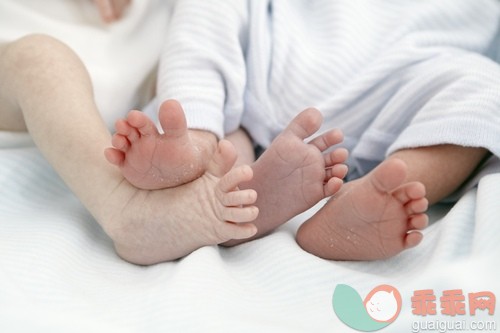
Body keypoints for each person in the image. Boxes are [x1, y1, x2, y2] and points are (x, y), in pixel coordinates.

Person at [107, 0, 500, 261]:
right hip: (270, 47)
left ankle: (371, 196)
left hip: (403, 79)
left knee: (487, 90)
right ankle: (199, 142)